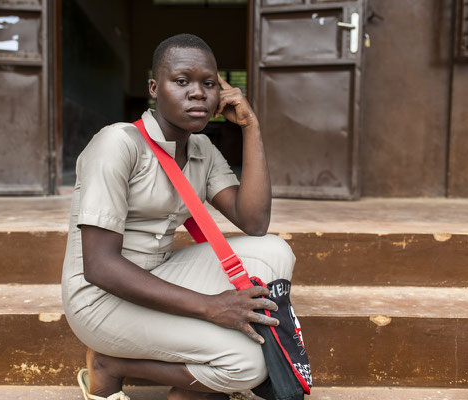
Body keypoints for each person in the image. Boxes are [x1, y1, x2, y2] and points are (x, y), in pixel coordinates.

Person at [61, 33, 296, 400]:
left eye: (208, 83)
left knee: (274, 250)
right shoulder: (118, 143)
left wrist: (251, 128)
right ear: (155, 88)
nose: (198, 93)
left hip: (159, 273)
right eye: (182, 81)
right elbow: (99, 267)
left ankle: (194, 388)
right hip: (100, 298)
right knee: (249, 365)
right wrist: (210, 307)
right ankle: (110, 363)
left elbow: (253, 222)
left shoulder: (201, 147)